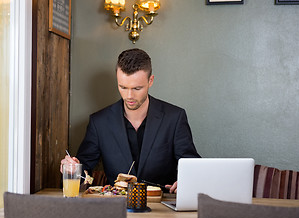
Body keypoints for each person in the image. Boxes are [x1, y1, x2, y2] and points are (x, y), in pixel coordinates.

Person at [60, 48, 200, 193]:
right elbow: (83, 174)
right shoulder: (99, 122)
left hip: (162, 205)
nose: (129, 96)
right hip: (116, 206)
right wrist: (72, 170)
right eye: (123, 87)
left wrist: (186, 181)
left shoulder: (175, 117)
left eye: (137, 88)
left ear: (150, 81)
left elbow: (193, 168)